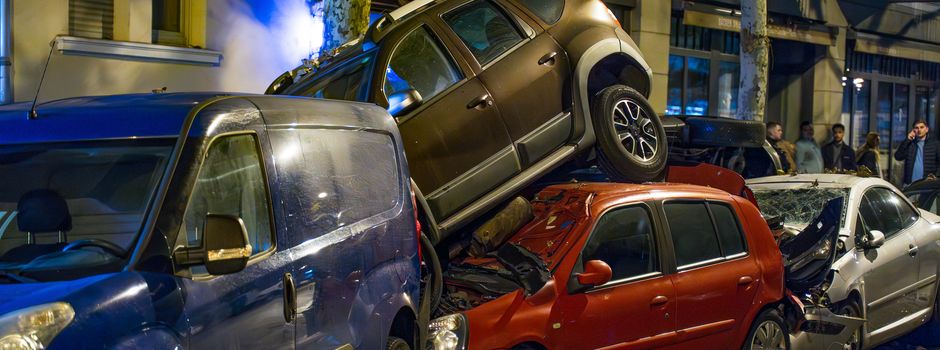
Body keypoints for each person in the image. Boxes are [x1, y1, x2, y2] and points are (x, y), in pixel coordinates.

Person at [895, 119, 939, 186]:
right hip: (910, 184)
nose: (919, 130)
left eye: (922, 127)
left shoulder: (935, 144)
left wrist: (935, 177)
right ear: (914, 130)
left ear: (927, 129)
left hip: (927, 185)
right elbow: (898, 157)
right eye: (916, 128)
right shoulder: (910, 144)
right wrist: (907, 140)